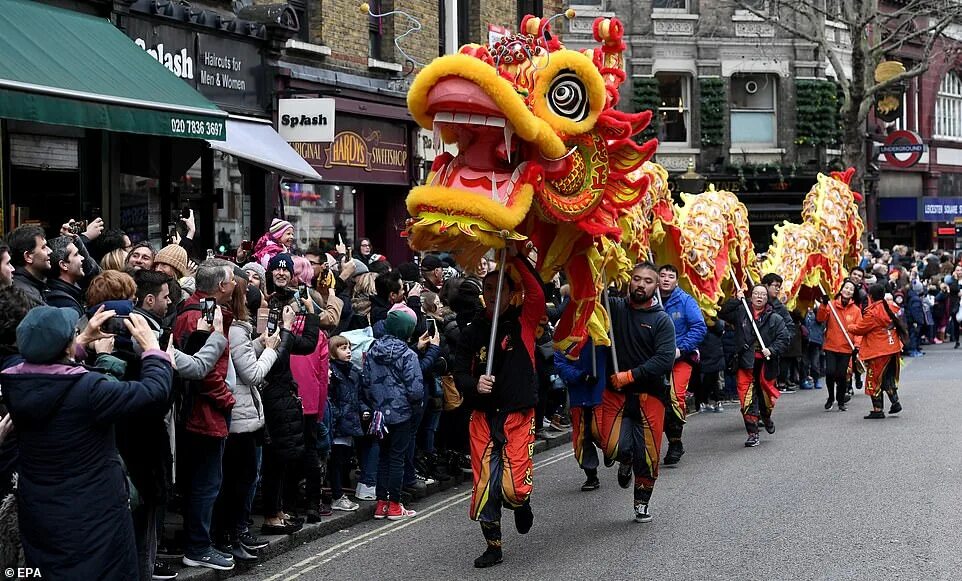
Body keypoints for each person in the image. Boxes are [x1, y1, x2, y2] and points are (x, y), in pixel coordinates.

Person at [1, 306, 172, 580]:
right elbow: (153, 393)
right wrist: (154, 351)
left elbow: (46, 367)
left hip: (40, 512)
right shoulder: (90, 389)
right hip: (95, 514)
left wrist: (78, 344)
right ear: (66, 345)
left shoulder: (14, 382)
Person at [453, 246, 545, 568]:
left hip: (518, 415)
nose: (491, 294)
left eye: (498, 289)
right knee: (484, 488)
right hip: (482, 417)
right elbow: (458, 371)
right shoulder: (472, 330)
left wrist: (516, 255)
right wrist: (473, 385)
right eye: (487, 289)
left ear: (511, 293)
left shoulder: (525, 321)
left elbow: (537, 292)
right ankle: (493, 545)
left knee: (514, 489)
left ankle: (522, 503)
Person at [172, 258, 237, 571]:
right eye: (231, 280)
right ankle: (198, 547)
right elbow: (205, 369)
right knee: (205, 483)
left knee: (201, 481)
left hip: (199, 410)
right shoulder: (203, 314)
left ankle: (198, 543)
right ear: (221, 286)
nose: (236, 284)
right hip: (203, 413)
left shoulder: (196, 309)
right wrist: (227, 400)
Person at [599, 262, 675, 524]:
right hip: (615, 394)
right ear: (628, 280)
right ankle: (626, 459)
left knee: (649, 454)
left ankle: (641, 502)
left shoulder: (661, 320)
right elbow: (589, 296)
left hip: (649, 395)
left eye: (648, 281)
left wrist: (629, 376)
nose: (641, 284)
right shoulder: (614, 308)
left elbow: (664, 359)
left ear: (655, 287)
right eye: (636, 279)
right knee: (610, 446)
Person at [363, 304, 428, 522]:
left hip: (379, 415)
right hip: (402, 414)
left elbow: (366, 382)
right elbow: (416, 389)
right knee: (397, 458)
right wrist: (413, 403)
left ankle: (381, 504)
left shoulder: (372, 350)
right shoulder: (408, 354)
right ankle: (394, 505)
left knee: (382, 457)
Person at [718, 283, 791, 447]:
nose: (759, 297)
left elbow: (784, 338)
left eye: (763, 294)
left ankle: (765, 416)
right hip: (746, 362)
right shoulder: (741, 311)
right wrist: (736, 300)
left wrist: (771, 350)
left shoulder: (775, 318)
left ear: (767, 298)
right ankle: (752, 433)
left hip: (766, 365)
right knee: (747, 399)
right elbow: (722, 312)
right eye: (756, 293)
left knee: (766, 400)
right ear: (751, 296)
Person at [657, 264, 706, 466]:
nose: (666, 279)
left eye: (671, 276)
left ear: (677, 281)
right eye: (663, 275)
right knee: (654, 403)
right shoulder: (649, 300)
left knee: (675, 397)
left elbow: (699, 327)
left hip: (681, 358)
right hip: (655, 360)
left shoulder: (686, 301)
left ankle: (675, 442)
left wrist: (681, 348)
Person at [553, 339, 607, 491]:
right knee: (582, 439)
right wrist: (581, 376)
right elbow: (560, 364)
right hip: (579, 395)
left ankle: (613, 453)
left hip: (601, 394)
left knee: (602, 432)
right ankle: (591, 474)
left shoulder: (603, 329)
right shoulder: (565, 333)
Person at [847, 283, 907, 419]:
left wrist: (849, 326)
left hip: (879, 351)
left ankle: (877, 409)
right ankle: (895, 402)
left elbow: (860, 329)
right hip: (892, 348)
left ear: (870, 296)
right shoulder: (890, 307)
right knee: (887, 377)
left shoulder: (873, 313)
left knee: (873, 379)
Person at [327, 335, 365, 512]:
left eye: (349, 347)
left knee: (342, 460)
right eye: (342, 348)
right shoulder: (332, 373)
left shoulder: (353, 371)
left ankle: (338, 493)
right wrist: (338, 415)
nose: (348, 351)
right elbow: (331, 399)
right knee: (336, 461)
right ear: (333, 352)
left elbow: (356, 396)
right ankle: (336, 496)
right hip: (339, 424)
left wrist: (364, 409)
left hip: (349, 422)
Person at [816, 280, 862, 412]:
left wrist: (857, 345)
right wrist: (823, 305)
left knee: (842, 375)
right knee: (830, 373)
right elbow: (820, 319)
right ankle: (831, 397)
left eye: (851, 289)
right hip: (831, 346)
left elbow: (859, 330)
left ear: (853, 293)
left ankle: (840, 400)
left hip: (846, 348)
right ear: (841, 289)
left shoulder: (856, 310)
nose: (848, 290)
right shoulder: (831, 305)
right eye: (846, 288)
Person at [760, 273, 795, 393]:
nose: (777, 289)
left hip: (772, 351)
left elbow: (790, 328)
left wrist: (780, 343)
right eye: (775, 286)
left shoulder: (779, 307)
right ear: (765, 285)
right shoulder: (752, 304)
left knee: (767, 389)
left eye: (779, 287)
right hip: (754, 350)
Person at [7, 224, 51, 306]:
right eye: (43, 247)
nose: (50, 251)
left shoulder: (33, 284)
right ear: (28, 256)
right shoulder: (24, 295)